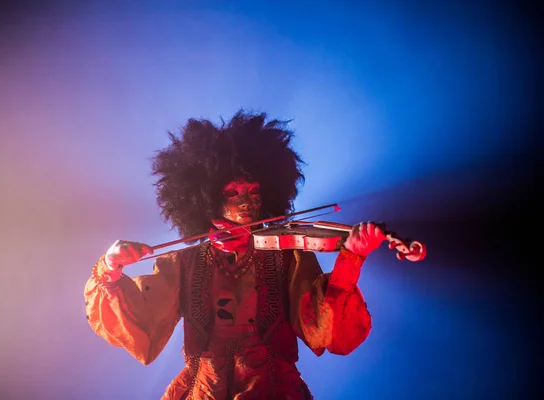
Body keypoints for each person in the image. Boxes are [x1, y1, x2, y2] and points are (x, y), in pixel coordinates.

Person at [84, 110, 386, 399]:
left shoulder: (286, 256)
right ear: (208, 198)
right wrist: (110, 268)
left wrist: (352, 259)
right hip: (203, 389)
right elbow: (138, 320)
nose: (247, 202)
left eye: (254, 192)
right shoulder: (182, 261)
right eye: (233, 193)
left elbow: (323, 325)